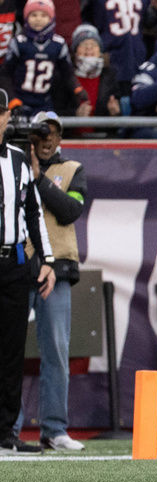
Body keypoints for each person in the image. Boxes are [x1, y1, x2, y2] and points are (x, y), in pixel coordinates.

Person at [16, 111, 87, 451]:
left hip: (56, 268)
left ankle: (55, 428)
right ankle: (8, 429)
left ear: (60, 138)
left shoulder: (72, 169)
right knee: (9, 350)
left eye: (53, 133)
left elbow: (70, 211)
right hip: (16, 265)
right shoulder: (11, 166)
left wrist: (37, 178)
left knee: (56, 350)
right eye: (40, 132)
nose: (46, 139)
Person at [0, 88, 56, 455]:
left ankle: (6, 431)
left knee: (11, 351)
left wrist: (48, 261)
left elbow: (33, 213)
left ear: (6, 118)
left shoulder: (19, 160)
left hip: (12, 264)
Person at [0, 0, 88, 117]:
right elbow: (5, 74)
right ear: (26, 17)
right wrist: (12, 99)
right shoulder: (19, 42)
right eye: (34, 15)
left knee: (48, 130)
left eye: (43, 15)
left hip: (44, 102)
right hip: (20, 100)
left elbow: (67, 72)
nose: (38, 19)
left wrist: (76, 88)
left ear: (51, 18)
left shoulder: (58, 44)